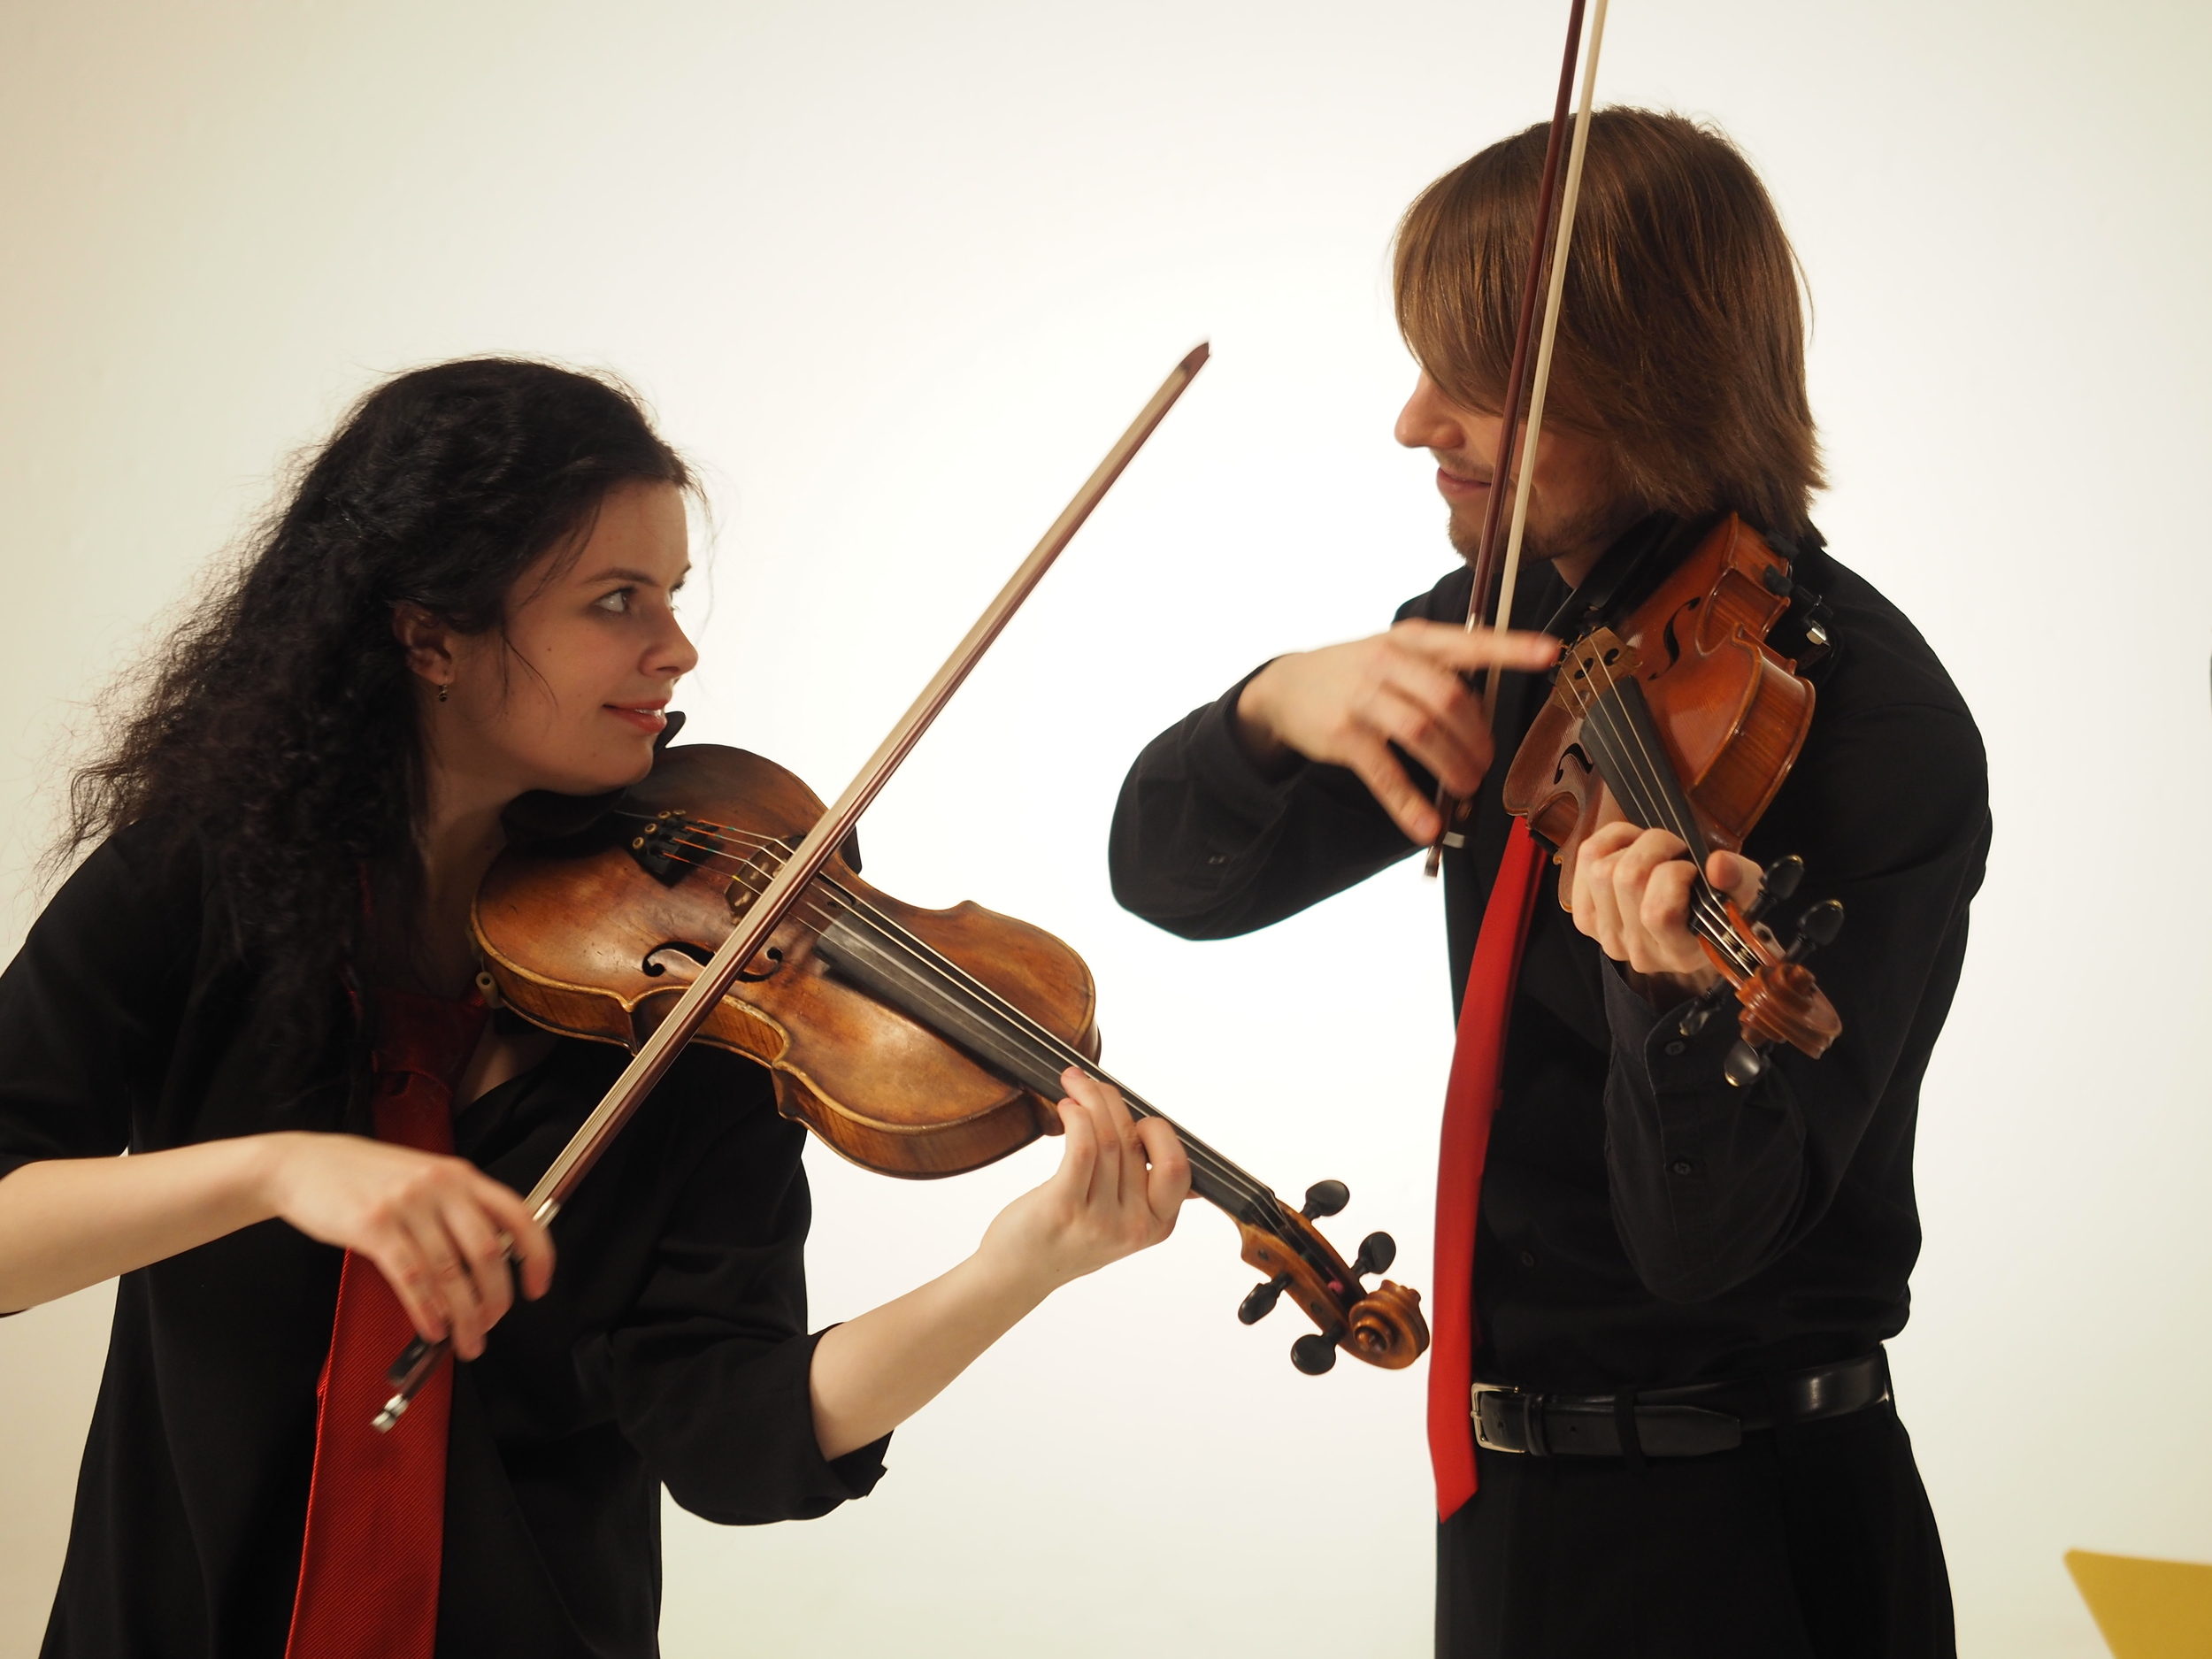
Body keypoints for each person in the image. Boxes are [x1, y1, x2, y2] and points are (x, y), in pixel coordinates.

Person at [0, 357, 1190, 1659]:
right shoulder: (203, 879)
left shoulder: (696, 983)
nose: (675, 650)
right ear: (429, 637)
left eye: (673, 597)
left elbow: (730, 1436)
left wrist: (1014, 1271)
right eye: (616, 602)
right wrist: (278, 1171)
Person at [1109, 110, 1988, 1658]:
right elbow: (1174, 882)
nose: (1412, 422)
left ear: (1647, 386)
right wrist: (1271, 708)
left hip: (1755, 1538)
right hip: (1508, 1514)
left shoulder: (1873, 732)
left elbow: (1709, 1251)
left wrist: (1666, 997)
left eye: (1480, 384)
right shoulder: (1531, 630)